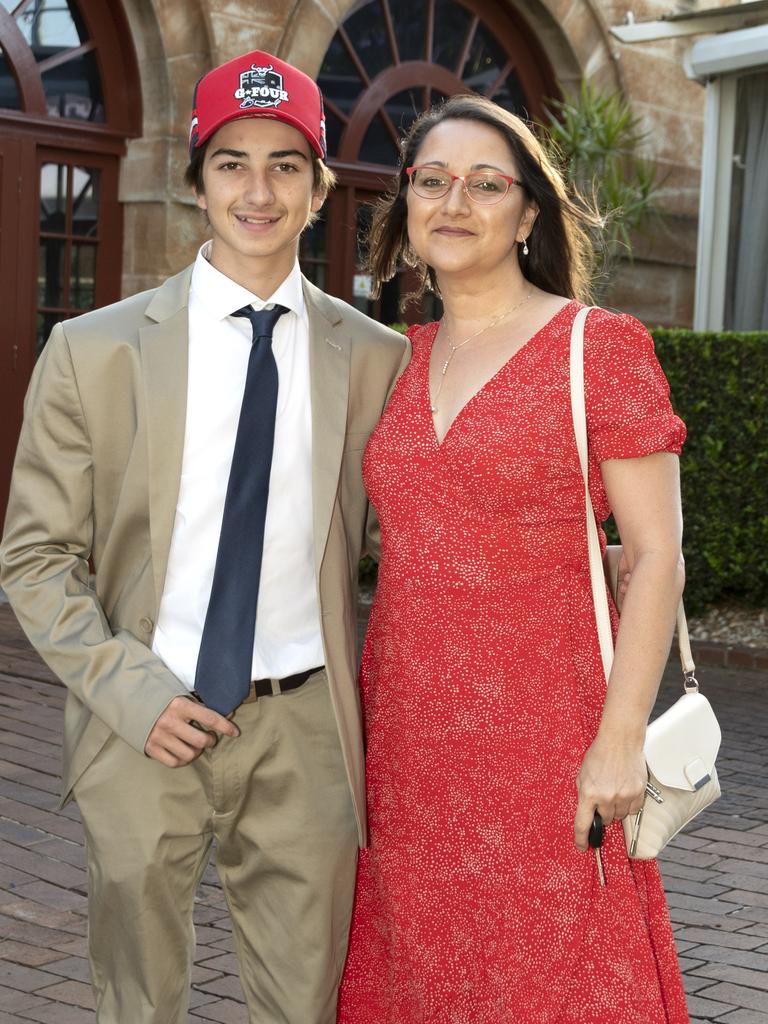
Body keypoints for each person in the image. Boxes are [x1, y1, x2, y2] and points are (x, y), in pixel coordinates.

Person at [0, 50, 406, 1024]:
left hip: (306, 727)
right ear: (196, 183)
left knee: (300, 1002)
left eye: (283, 164)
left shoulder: (377, 360)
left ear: (318, 188)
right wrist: (133, 693)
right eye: (231, 162)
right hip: (147, 712)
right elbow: (35, 556)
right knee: (136, 1000)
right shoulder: (92, 351)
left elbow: (421, 534)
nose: (257, 190)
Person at [337, 94, 690, 1023]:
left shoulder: (598, 349)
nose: (456, 202)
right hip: (406, 736)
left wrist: (620, 739)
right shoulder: (392, 358)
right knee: (419, 970)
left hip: (550, 732)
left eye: (487, 184)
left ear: (529, 212)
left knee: (555, 977)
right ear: (407, 207)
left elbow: (656, 557)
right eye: (433, 181)